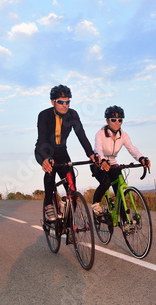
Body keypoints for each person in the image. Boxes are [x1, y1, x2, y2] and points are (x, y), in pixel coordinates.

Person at [35, 84, 99, 221]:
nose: (65, 105)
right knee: (50, 171)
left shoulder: (72, 114)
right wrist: (46, 158)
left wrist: (91, 154)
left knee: (72, 188)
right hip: (44, 150)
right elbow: (42, 139)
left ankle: (68, 222)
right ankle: (48, 204)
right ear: (53, 102)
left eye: (67, 101)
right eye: (61, 102)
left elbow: (81, 135)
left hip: (61, 152)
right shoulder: (44, 115)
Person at [91, 105, 150, 215]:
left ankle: (125, 224)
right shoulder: (101, 133)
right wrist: (102, 160)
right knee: (106, 182)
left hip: (113, 163)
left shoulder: (123, 135)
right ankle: (96, 204)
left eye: (120, 120)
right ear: (107, 121)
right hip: (98, 163)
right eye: (113, 120)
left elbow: (132, 148)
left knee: (120, 192)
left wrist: (141, 158)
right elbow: (98, 148)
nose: (117, 122)